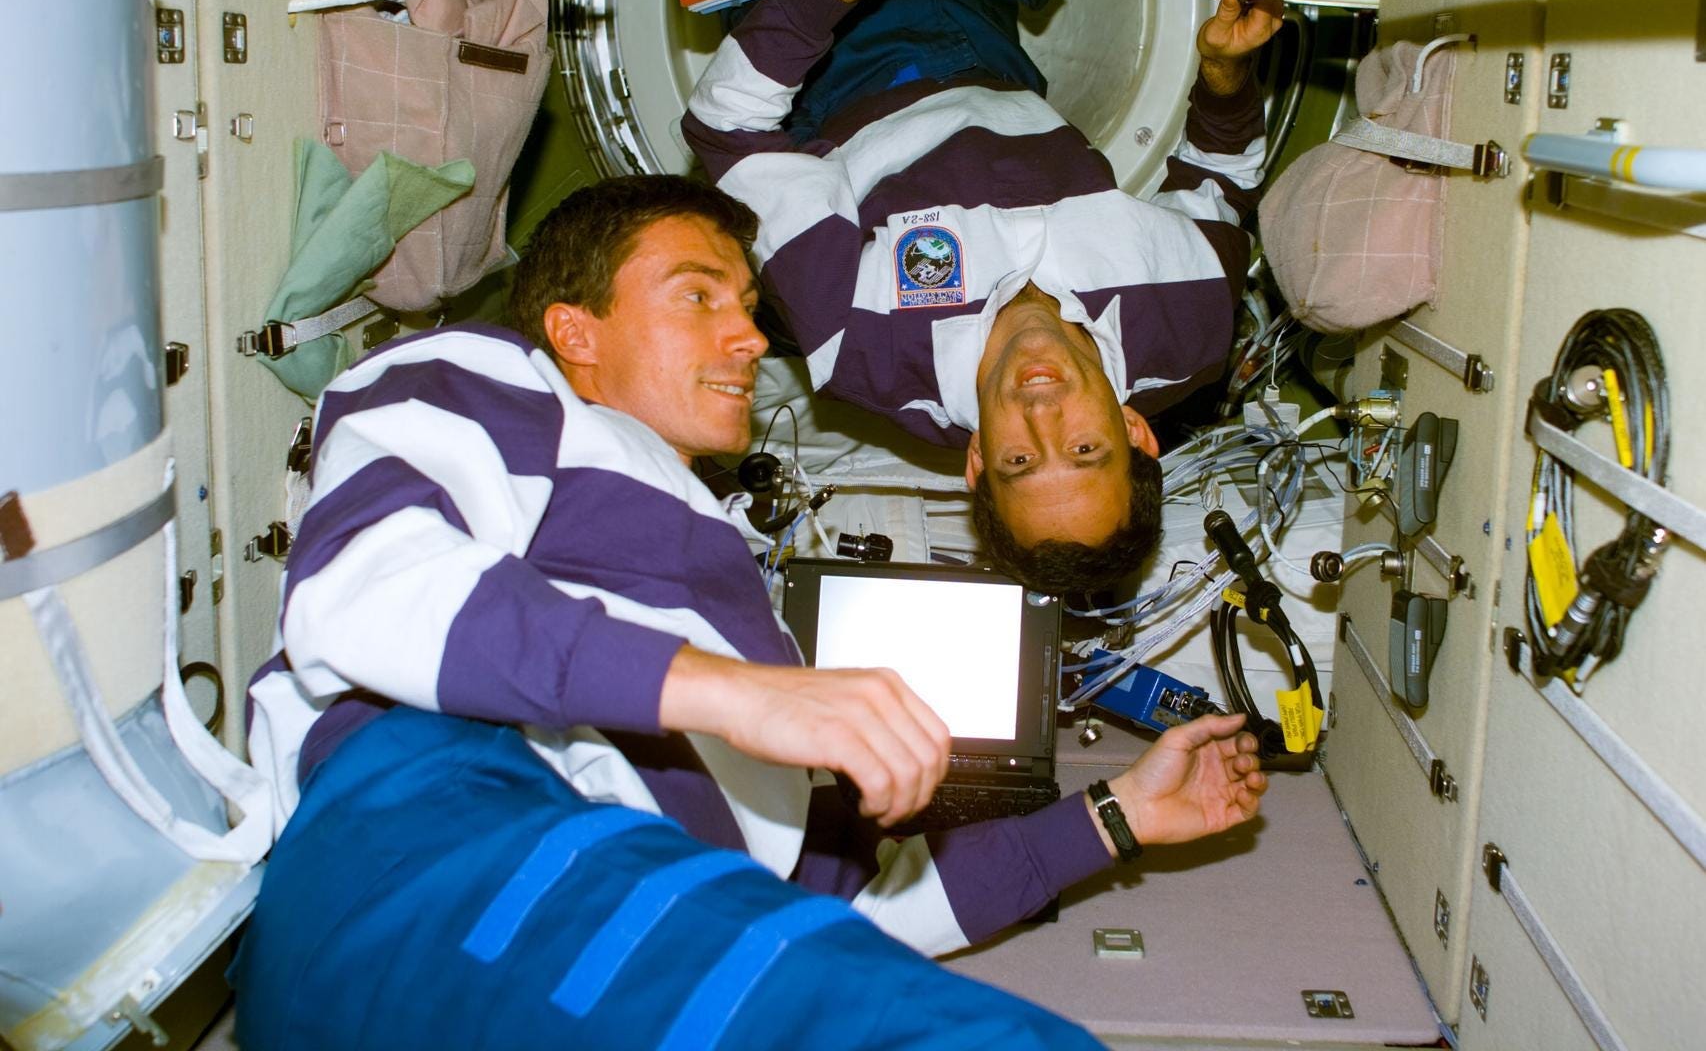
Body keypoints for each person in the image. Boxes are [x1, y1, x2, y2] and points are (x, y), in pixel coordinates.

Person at [241, 176, 1267, 1024]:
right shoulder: (487, 378)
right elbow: (359, 588)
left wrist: (1119, 814)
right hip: (440, 823)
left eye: (745, 306)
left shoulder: (720, 571)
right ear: (574, 330)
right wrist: (738, 696)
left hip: (644, 899)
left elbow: (863, 912)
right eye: (698, 296)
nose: (747, 336)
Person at [648, 0, 1285, 593]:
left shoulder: (862, 345)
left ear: (980, 462)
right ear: (1137, 433)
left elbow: (728, 125)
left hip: (825, 53)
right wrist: (1228, 75)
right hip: (985, 32)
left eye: (1022, 458)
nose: (1042, 408)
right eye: (1086, 449)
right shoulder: (1190, 319)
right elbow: (1221, 184)